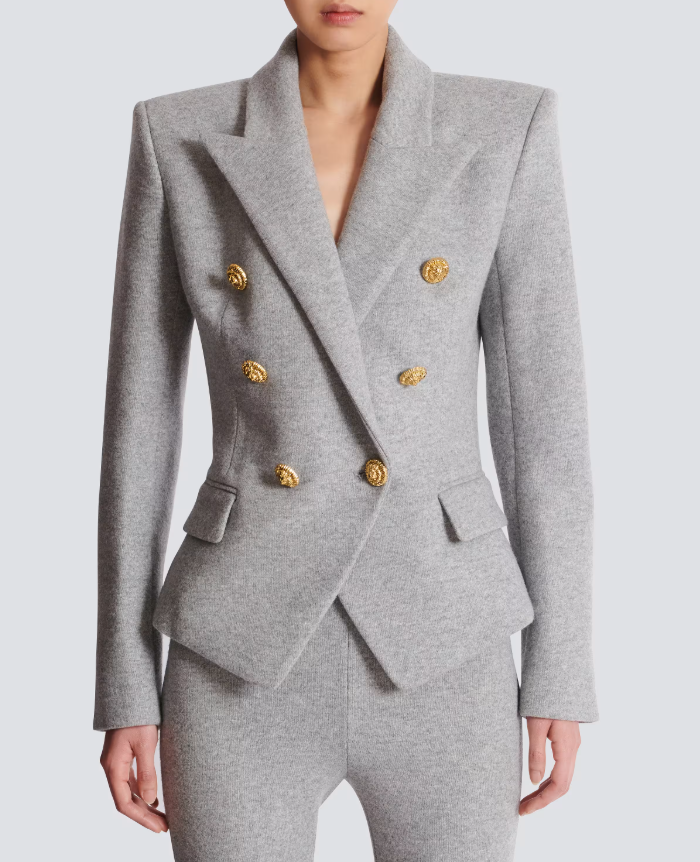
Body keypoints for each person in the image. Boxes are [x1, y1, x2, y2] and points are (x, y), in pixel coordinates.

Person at [96, 1, 598, 859]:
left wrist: (560, 667)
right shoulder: (177, 134)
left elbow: (544, 428)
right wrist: (125, 684)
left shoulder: (504, 127)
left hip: (445, 637)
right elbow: (137, 429)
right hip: (237, 644)